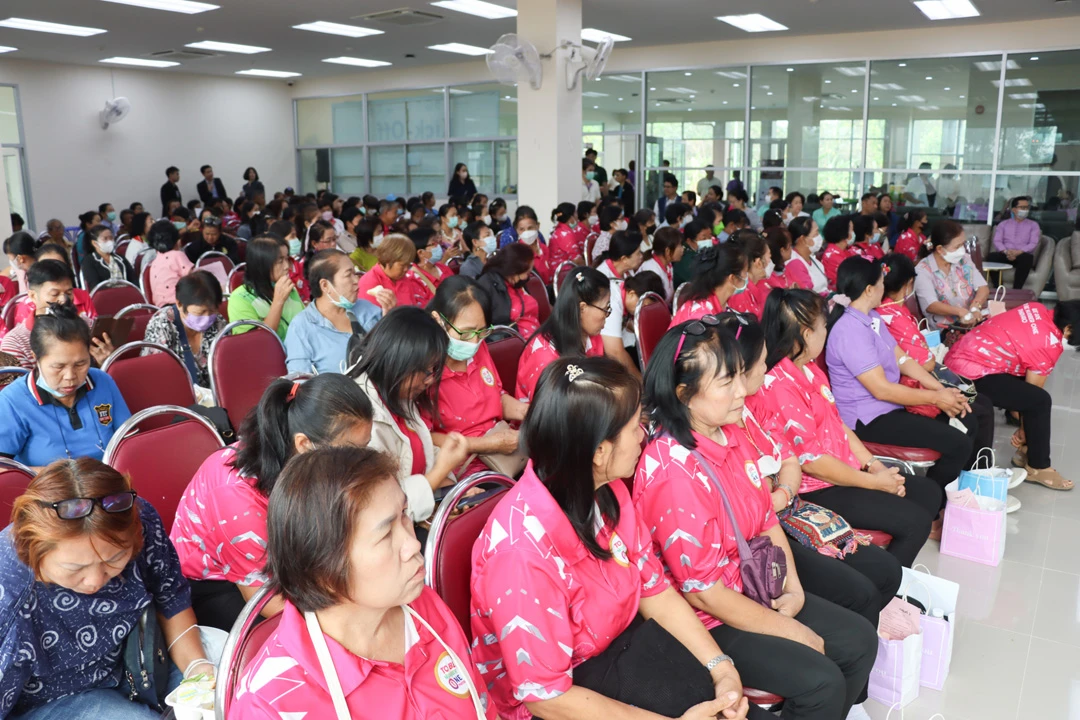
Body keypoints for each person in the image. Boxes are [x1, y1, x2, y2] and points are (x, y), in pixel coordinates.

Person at [472, 355, 759, 720]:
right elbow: (546, 698)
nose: (644, 434)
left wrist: (721, 668)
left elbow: (654, 589)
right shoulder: (520, 554)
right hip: (568, 696)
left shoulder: (608, 493)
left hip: (621, 649)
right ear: (599, 452)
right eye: (634, 425)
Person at [636, 317, 877, 719]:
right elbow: (702, 592)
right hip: (709, 619)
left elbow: (766, 518)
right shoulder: (673, 471)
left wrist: (794, 589)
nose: (741, 391)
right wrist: (793, 630)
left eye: (738, 376)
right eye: (725, 382)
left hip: (751, 586)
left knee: (860, 640)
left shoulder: (729, 433)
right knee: (821, 682)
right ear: (684, 394)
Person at [230, 446, 495, 719]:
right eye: (385, 536)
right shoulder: (269, 705)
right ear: (326, 572)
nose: (413, 543)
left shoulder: (421, 607)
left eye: (404, 514)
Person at [723, 313, 903, 631]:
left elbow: (791, 460)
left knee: (887, 570)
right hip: (761, 530)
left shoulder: (755, 405)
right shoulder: (725, 420)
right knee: (861, 594)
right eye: (761, 363)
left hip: (788, 506)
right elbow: (752, 499)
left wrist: (783, 493)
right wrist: (777, 496)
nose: (767, 369)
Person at [0, 459, 214, 719]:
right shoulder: (10, 593)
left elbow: (171, 598)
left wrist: (197, 668)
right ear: (32, 551)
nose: (94, 581)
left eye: (114, 560)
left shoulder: (140, 521)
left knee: (230, 686)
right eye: (75, 568)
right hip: (48, 698)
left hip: (135, 657)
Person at [750, 288, 941, 567]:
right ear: (806, 334)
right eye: (823, 326)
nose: (826, 332)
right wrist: (874, 483)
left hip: (845, 469)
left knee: (928, 493)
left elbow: (838, 425)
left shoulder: (810, 369)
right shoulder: (779, 386)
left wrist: (875, 467)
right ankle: (887, 584)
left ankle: (886, 569)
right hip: (816, 487)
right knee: (915, 522)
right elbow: (812, 463)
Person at [171, 374, 375, 630]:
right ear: (304, 444)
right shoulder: (237, 497)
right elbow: (268, 604)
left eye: (364, 448)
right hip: (214, 585)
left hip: (283, 556)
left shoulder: (302, 460)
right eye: (350, 452)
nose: (360, 463)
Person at [828, 257, 978, 500]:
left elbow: (903, 360)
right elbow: (882, 390)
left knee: (967, 418)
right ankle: (935, 501)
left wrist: (942, 390)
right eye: (880, 283)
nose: (884, 287)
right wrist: (936, 398)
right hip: (869, 419)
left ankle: (955, 490)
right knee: (958, 443)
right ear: (869, 290)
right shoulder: (849, 330)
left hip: (890, 406)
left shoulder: (872, 319)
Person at [345, 307, 469, 523]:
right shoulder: (359, 417)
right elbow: (380, 509)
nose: (430, 380)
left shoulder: (397, 391)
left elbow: (421, 457)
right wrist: (441, 472)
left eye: (435, 369)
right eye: (426, 370)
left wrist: (455, 493)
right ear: (399, 360)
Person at [945, 301, 1080, 491]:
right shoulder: (1048, 344)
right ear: (1068, 328)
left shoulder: (1036, 308)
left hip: (960, 356)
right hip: (969, 373)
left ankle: (1026, 452)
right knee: (1040, 401)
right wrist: (1023, 431)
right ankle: (1038, 467)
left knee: (1029, 393)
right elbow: (1032, 396)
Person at [0, 303, 129, 469]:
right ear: (36, 357)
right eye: (58, 367)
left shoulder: (103, 382)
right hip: (52, 491)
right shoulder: (13, 401)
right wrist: (59, 477)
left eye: (81, 364)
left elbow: (129, 443)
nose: (70, 377)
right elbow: (3, 467)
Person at [424, 276, 529, 475]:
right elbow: (425, 437)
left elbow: (496, 396)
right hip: (462, 467)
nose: (473, 341)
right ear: (439, 320)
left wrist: (526, 412)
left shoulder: (478, 349)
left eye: (481, 332)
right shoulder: (424, 370)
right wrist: (485, 444)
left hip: (504, 452)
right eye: (465, 333)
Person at [285, 249, 391, 375]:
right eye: (348, 275)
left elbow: (393, 355)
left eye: (355, 273)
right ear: (325, 285)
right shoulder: (302, 327)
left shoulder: (368, 310)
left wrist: (389, 319)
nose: (356, 280)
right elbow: (299, 381)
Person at [515, 266, 609, 402]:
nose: (607, 315)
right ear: (582, 308)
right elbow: (547, 414)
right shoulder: (544, 355)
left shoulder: (592, 337)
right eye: (605, 309)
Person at [1, 260, 108, 370]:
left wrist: (105, 363)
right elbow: (16, 386)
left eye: (69, 293)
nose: (63, 300)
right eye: (54, 294)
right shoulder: (15, 343)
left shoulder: (88, 325)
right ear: (33, 296)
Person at [142, 271, 227, 388]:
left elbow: (226, 366)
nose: (207, 317)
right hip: (176, 393)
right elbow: (156, 375)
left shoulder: (218, 322)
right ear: (179, 304)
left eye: (212, 311)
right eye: (200, 312)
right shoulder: (162, 325)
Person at [227, 234, 303, 340]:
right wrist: (278, 301)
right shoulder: (240, 298)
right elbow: (259, 342)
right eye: (280, 261)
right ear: (261, 265)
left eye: (287, 259)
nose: (287, 267)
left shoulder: (288, 287)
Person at [915, 220, 989, 327]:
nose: (962, 250)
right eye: (957, 247)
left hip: (972, 324)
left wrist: (975, 306)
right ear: (940, 249)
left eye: (963, 244)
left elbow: (983, 287)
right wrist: (960, 312)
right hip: (946, 330)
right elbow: (931, 305)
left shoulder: (964, 260)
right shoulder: (923, 270)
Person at [596, 231, 645, 377]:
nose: (641, 256)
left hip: (623, 337)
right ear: (624, 259)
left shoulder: (627, 274)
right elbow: (614, 352)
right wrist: (640, 382)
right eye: (638, 253)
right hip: (605, 350)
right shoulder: (606, 287)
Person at [670, 243, 748, 326]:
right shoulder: (701, 319)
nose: (747, 277)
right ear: (732, 278)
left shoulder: (718, 300)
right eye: (745, 272)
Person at [476, 243, 540, 339]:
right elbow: (488, 325)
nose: (528, 275)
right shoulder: (488, 285)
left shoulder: (518, 282)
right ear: (516, 270)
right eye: (527, 272)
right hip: (513, 341)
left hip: (534, 334)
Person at [355, 233, 429, 309]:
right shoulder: (368, 285)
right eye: (402, 265)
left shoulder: (403, 278)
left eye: (408, 265)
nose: (406, 269)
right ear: (387, 260)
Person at [988, 196, 1040, 289]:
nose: (1025, 210)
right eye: (1022, 208)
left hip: (1022, 255)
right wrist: (1006, 251)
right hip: (1006, 254)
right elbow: (997, 241)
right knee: (991, 257)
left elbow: (1033, 243)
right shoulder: (1003, 224)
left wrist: (1018, 252)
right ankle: (998, 288)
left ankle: (1016, 290)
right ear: (1014, 210)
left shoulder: (1033, 225)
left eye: (1027, 207)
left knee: (1027, 259)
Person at [146, 220, 194, 307]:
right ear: (177, 239)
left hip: (161, 311)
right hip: (180, 307)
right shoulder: (177, 255)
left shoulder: (154, 262)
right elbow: (196, 278)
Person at [74, 224, 135, 290]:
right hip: (105, 297)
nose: (109, 241)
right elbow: (94, 286)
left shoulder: (121, 259)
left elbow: (134, 280)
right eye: (105, 239)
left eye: (111, 238)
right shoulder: (89, 261)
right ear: (95, 243)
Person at [726, 231, 771, 319]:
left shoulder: (759, 285)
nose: (771, 261)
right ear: (758, 263)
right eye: (769, 256)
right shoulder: (740, 297)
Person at [405, 228, 451, 304]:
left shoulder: (443, 268)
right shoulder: (413, 279)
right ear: (420, 252)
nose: (438, 246)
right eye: (434, 244)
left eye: (438, 242)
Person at [639, 226, 683, 304]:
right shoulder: (652, 270)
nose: (682, 249)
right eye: (679, 245)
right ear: (667, 251)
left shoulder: (668, 264)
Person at [821, 215, 856, 290]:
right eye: (852, 230)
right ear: (843, 233)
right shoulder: (833, 256)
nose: (853, 233)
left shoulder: (844, 251)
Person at [548, 202, 585, 270]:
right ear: (571, 217)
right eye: (576, 213)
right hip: (565, 273)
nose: (577, 216)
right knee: (583, 279)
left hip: (563, 270)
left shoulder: (559, 229)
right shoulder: (565, 234)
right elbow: (577, 261)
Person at [762, 226, 794, 290]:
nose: (792, 249)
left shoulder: (784, 267)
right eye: (790, 245)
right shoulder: (768, 277)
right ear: (782, 250)